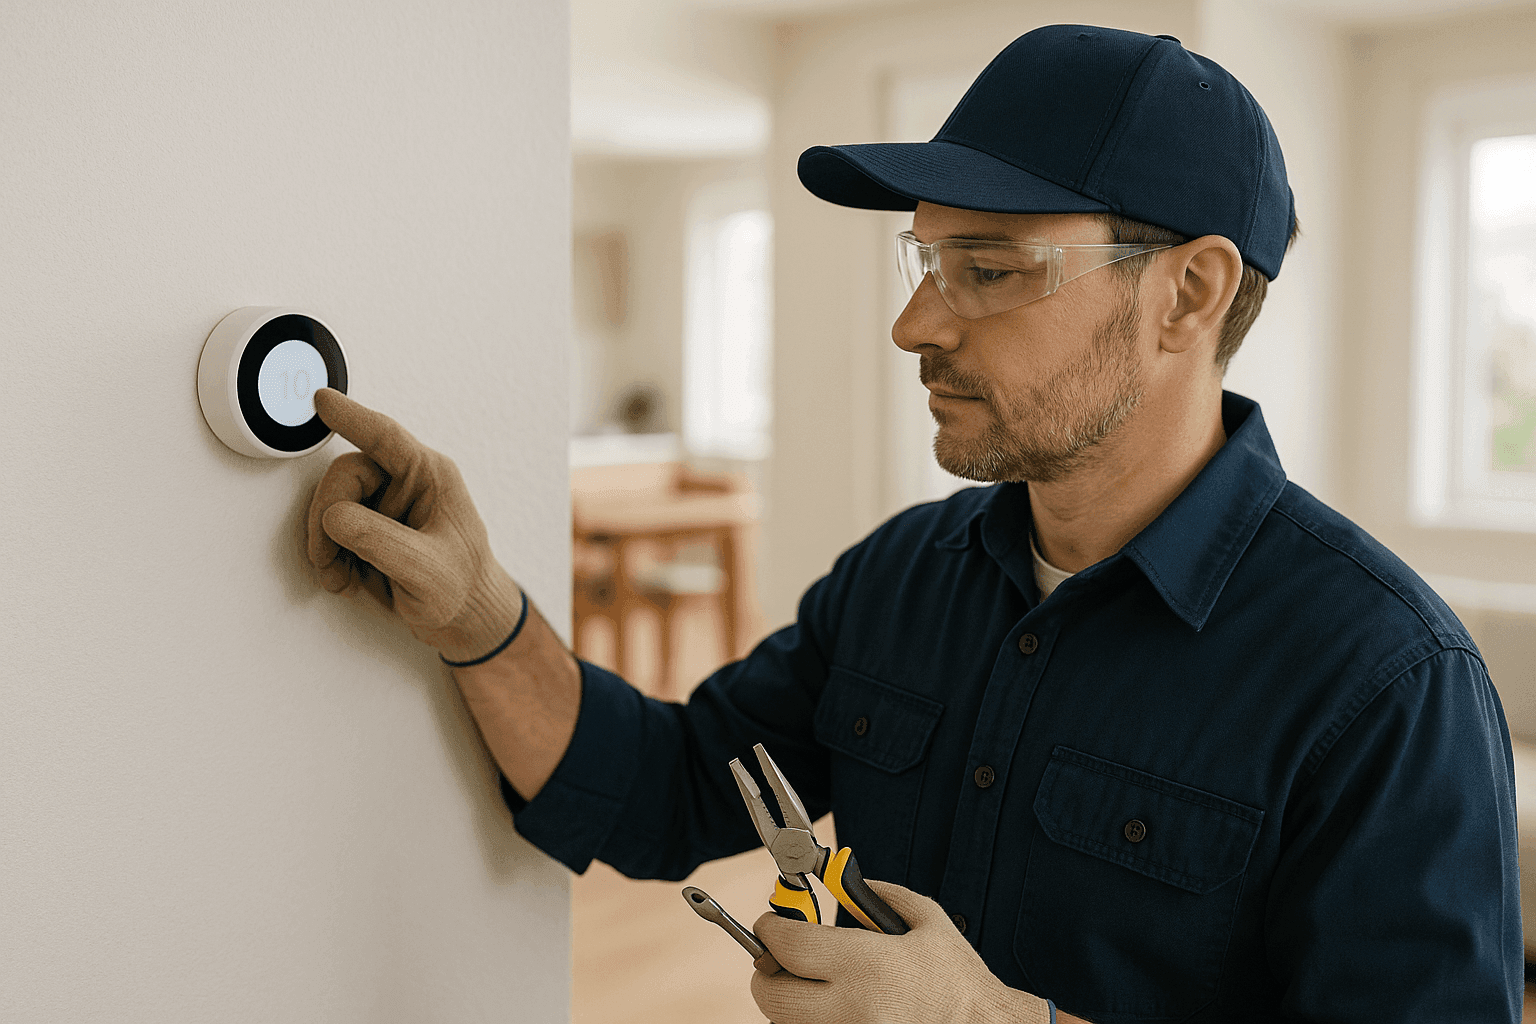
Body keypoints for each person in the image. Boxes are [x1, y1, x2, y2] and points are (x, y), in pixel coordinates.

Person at [303, 23, 1522, 1024]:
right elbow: (661, 789)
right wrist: (476, 613)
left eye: (988, 270)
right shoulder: (905, 576)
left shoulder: (1387, 685)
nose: (916, 326)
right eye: (924, 261)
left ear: (1186, 293)